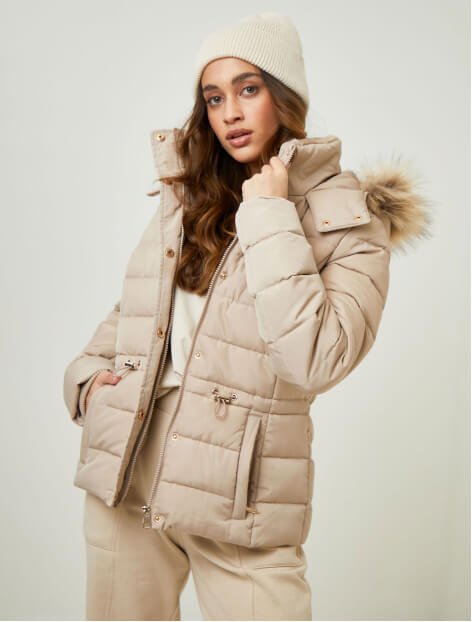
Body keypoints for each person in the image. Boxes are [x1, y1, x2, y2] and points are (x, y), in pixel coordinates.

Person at [62, 11, 432, 621]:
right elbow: (140, 310)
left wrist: (269, 217)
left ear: (286, 96)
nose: (229, 112)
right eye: (214, 97)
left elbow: (317, 357)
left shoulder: (352, 220)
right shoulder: (191, 196)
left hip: (241, 499)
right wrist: (85, 380)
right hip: (128, 472)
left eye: (248, 89)